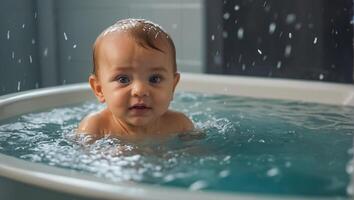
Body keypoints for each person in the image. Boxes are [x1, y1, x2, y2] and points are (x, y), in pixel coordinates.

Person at [77, 18, 194, 141]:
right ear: (99, 89)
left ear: (173, 86)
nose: (140, 90)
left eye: (155, 79)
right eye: (123, 79)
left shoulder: (180, 125)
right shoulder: (95, 128)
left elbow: (195, 154)